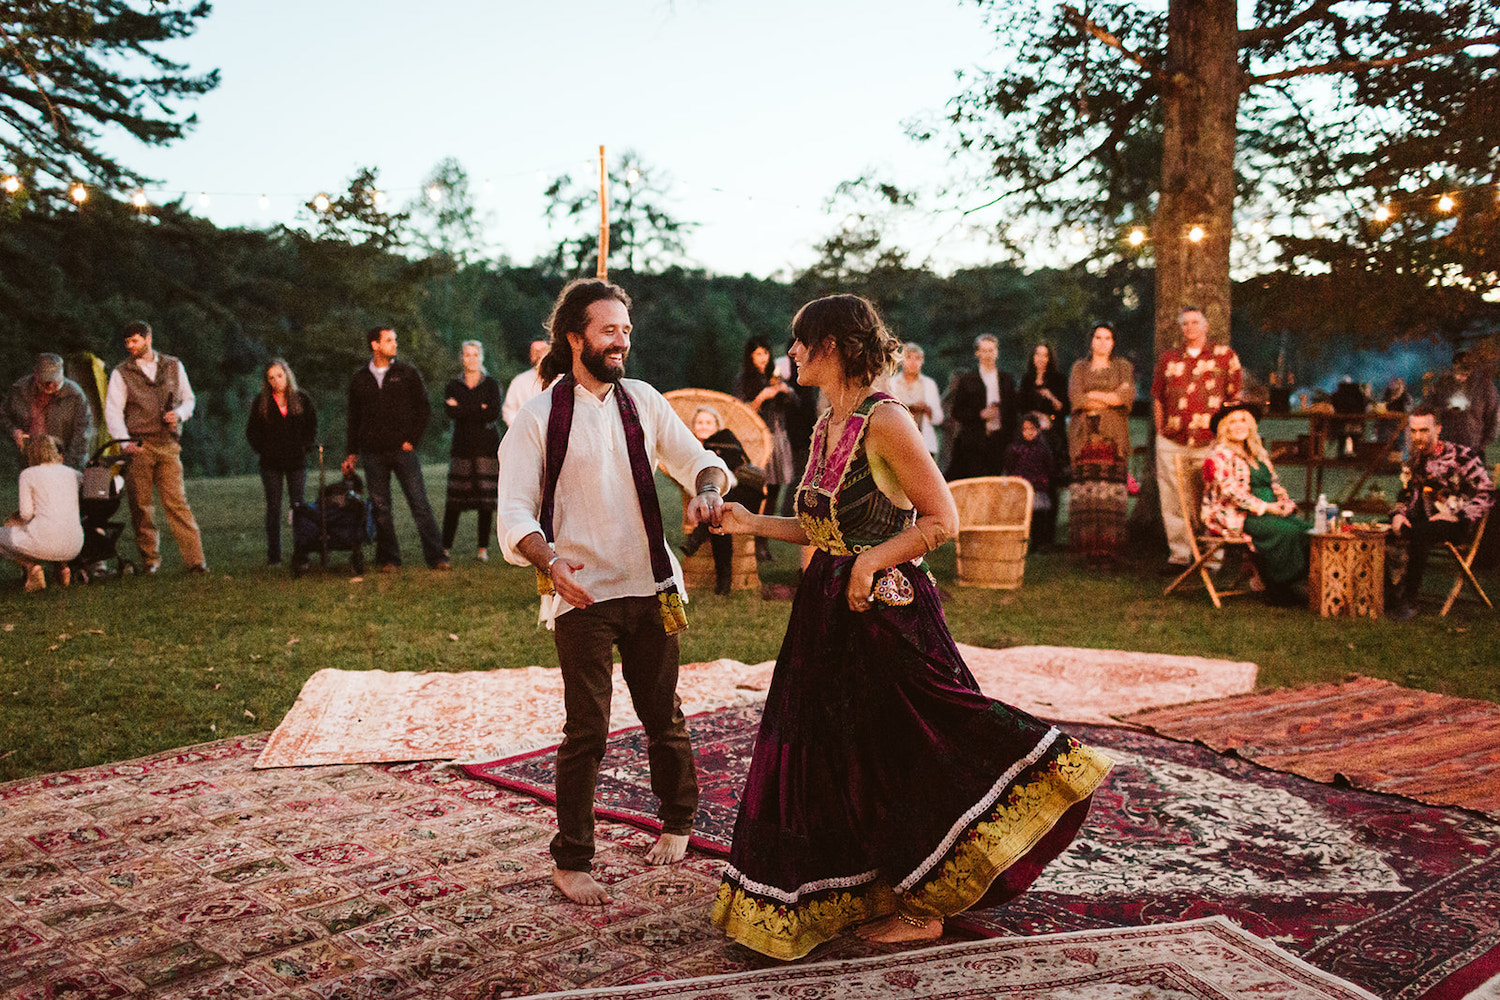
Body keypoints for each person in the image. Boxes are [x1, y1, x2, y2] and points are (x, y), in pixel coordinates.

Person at [708, 294, 1112, 960]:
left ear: (833, 346)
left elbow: (941, 520)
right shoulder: (826, 422)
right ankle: (864, 886)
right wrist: (748, 522)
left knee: (910, 748)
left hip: (883, 615)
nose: (791, 353)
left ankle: (927, 905)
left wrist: (870, 562)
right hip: (826, 612)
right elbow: (819, 527)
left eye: (800, 342)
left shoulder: (886, 420)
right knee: (835, 757)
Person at [496, 278, 730, 906]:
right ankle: (571, 859)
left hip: (655, 588)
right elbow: (514, 513)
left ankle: (679, 822)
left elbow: (700, 460)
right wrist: (549, 560)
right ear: (575, 337)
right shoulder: (538, 418)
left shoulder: (646, 400)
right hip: (582, 598)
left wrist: (706, 490)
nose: (622, 340)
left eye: (627, 329)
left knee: (664, 717)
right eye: (609, 329)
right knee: (587, 731)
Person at [104, 320, 208, 574]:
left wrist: (180, 414)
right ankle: (150, 561)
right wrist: (125, 442)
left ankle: (196, 561)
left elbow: (189, 398)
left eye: (135, 341)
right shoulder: (121, 373)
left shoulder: (173, 365)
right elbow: (113, 412)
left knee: (177, 503)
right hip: (138, 446)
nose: (130, 346)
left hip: (168, 443)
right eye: (127, 342)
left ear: (148, 339)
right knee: (141, 507)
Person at [341, 326, 449, 573]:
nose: (394, 344)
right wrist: (352, 452)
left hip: (402, 450)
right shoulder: (360, 379)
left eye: (395, 340)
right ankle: (389, 559)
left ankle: (437, 556)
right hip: (372, 452)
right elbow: (353, 418)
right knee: (381, 507)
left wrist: (412, 439)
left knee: (419, 503)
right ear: (375, 345)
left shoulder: (407, 373)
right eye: (389, 340)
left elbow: (423, 407)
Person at [1152, 306, 1242, 572]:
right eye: (1185, 323)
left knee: (1212, 499)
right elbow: (1157, 396)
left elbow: (1234, 398)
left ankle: (1212, 558)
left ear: (1205, 326)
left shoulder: (1224, 357)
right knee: (1173, 500)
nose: (1190, 327)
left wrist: (1225, 438)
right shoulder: (1169, 359)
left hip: (1210, 441)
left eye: (1195, 322)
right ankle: (1179, 555)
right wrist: (1160, 429)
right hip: (1173, 440)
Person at [1385, 405, 1495, 622]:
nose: (1418, 437)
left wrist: (1457, 514)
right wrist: (1398, 515)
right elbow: (1405, 495)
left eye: (1424, 430)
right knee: (1379, 534)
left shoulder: (1461, 456)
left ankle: (1410, 600)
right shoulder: (1414, 461)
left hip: (1455, 523)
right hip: (1422, 521)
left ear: (1438, 429)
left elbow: (1487, 492)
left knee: (1420, 533)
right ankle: (1389, 595)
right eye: (1414, 431)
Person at [1200, 402, 1310, 606]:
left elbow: (1274, 484)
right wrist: (1267, 507)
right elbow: (1230, 491)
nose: (1239, 425)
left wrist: (1284, 502)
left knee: (1307, 530)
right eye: (1233, 422)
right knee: (1285, 532)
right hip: (1240, 514)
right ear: (1225, 427)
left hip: (1271, 510)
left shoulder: (1257, 453)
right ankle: (1277, 586)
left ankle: (1297, 582)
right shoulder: (1220, 455)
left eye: (1243, 420)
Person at [1068, 323, 1135, 564]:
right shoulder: (1080, 367)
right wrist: (1111, 397)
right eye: (1098, 337)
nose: (1102, 342)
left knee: (1110, 493)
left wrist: (1093, 396)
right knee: (1088, 492)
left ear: (1113, 342)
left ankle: (1110, 549)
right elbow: (1076, 399)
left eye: (1108, 338)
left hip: (1112, 440)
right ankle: (1085, 550)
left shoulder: (1122, 367)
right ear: (1091, 341)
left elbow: (1126, 398)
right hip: (1085, 439)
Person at [680, 405, 765, 594]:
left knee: (718, 509)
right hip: (724, 500)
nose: (704, 426)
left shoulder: (725, 440)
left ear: (717, 425)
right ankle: (723, 579)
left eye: (708, 422)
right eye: (700, 422)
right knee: (719, 517)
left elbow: (733, 477)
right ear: (693, 426)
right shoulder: (688, 448)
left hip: (745, 496)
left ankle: (699, 538)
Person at [245, 359, 317, 567]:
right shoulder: (262, 402)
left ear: (287, 375)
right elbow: (252, 431)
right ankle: (274, 555)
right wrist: (264, 449)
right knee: (274, 507)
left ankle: (302, 551)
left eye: (279, 376)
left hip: (296, 460)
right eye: (271, 378)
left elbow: (312, 425)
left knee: (298, 506)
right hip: (271, 463)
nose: (276, 381)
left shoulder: (301, 399)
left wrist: (305, 446)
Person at [734, 336, 796, 558]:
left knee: (774, 493)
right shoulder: (743, 380)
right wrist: (762, 397)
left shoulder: (774, 378)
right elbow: (740, 413)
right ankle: (749, 541)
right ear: (750, 356)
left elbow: (795, 404)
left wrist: (786, 392)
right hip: (758, 441)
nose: (763, 358)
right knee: (759, 490)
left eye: (766, 353)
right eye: (759, 353)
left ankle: (763, 542)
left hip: (779, 438)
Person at [442, 340, 502, 563]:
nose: (471, 359)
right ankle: (445, 548)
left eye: (475, 355)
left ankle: (482, 549)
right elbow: (450, 412)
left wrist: (463, 408)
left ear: (481, 356)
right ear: (461, 357)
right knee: (454, 501)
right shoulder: (453, 385)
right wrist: (478, 408)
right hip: (462, 447)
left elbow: (493, 413)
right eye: (467, 355)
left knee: (486, 499)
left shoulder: (491, 384)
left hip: (486, 447)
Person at [0, 435, 84, 591]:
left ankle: (32, 567)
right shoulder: (74, 474)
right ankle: (62, 568)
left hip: (44, 540)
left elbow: (26, 514)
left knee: (6, 536)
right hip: (75, 544)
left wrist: (14, 519)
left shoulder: (28, 474)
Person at [2, 353, 94, 469]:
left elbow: (82, 435)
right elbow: (3, 416)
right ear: (35, 375)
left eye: (54, 380)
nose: (50, 385)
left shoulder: (75, 396)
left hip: (67, 462)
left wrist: (65, 465)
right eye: (45, 381)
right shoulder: (20, 390)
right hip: (30, 462)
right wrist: (14, 432)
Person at [945, 333, 1017, 480]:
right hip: (974, 442)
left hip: (1000, 440)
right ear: (977, 353)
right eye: (984, 351)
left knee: (995, 482)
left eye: (991, 350)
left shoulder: (1006, 380)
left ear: (997, 352)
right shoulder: (968, 380)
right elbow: (957, 412)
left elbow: (1014, 410)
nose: (988, 355)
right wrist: (979, 414)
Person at [1424, 351, 1498, 456]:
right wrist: (1445, 411)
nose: (1459, 376)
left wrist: (1482, 445)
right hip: (1446, 445)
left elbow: (1493, 418)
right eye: (1457, 370)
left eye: (1465, 371)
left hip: (1473, 447)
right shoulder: (1443, 384)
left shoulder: (1486, 388)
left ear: (1473, 369)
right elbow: (1428, 409)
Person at [1003, 413, 1056, 550]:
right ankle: (1018, 542)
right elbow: (1009, 468)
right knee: (1018, 517)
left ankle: (1036, 544)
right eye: (1025, 429)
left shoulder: (1042, 449)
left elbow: (1049, 466)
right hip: (1019, 488)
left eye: (1032, 429)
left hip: (1037, 488)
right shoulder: (1014, 449)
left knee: (1037, 517)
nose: (1029, 433)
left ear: (1038, 430)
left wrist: (1042, 480)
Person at [887, 342, 944, 459]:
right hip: (898, 443)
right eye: (908, 358)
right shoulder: (891, 384)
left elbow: (939, 418)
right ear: (901, 360)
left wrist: (927, 410)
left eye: (917, 359)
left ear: (922, 361)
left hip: (924, 444)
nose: (913, 363)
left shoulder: (929, 384)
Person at [502, 339, 553, 427]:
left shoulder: (560, 380)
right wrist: (520, 427)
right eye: (535, 351)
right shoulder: (519, 382)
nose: (539, 355)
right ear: (530, 356)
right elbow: (509, 411)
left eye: (543, 351)